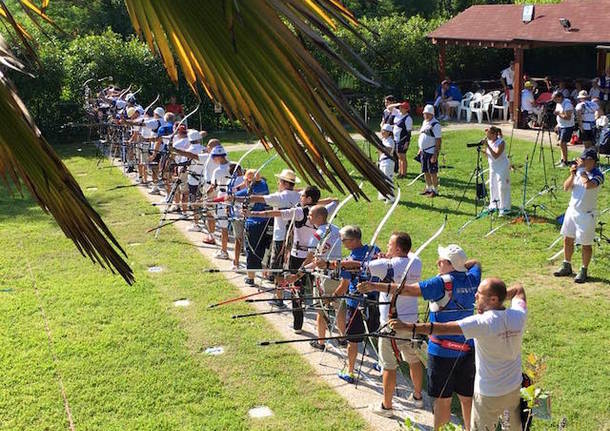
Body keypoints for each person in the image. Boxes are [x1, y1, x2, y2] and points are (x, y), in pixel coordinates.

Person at [362, 244, 481, 430]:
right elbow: (476, 263)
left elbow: (407, 290)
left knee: (442, 400)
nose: (437, 262)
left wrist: (374, 285)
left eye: (441, 260)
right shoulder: (473, 278)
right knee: (467, 398)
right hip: (467, 348)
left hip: (442, 351)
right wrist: (460, 267)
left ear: (448, 263)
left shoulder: (441, 283)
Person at [389, 280, 527, 431]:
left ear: (493, 299)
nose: (475, 296)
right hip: (513, 388)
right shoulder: (518, 315)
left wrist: (407, 326)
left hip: (488, 394)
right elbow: (519, 290)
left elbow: (443, 329)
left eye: (479, 294)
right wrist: (494, 299)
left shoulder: (482, 322)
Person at [355, 232, 425, 416]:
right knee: (413, 360)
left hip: (391, 324)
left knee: (388, 365)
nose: (386, 246)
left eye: (390, 244)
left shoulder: (386, 266)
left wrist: (380, 258)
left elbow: (361, 267)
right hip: (411, 322)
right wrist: (390, 255)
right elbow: (409, 255)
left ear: (399, 249)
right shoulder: (416, 262)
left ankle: (386, 406)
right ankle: (418, 398)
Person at [249, 186, 336, 333]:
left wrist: (253, 213)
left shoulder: (299, 211)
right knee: (317, 291)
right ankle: (326, 323)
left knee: (297, 291)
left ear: (308, 198)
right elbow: (336, 200)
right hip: (317, 258)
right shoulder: (323, 210)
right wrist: (315, 203)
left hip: (299, 258)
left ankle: (298, 325)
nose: (299, 198)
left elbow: (275, 212)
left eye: (302, 196)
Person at [315, 225, 379, 383]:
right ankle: (381, 364)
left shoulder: (348, 261)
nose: (342, 243)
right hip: (375, 299)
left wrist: (331, 298)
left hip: (355, 302)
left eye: (344, 240)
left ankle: (350, 371)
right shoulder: (375, 250)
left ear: (354, 240)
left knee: (353, 340)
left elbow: (344, 286)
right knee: (376, 333)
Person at [235, 168, 301, 307]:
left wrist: (236, 199)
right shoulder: (298, 196)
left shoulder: (280, 196)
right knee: (288, 267)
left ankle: (279, 298)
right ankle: (291, 296)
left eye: (279, 181)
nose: (277, 183)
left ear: (283, 183)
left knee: (278, 269)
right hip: (295, 238)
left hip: (280, 238)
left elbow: (259, 198)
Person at [554, 148, 605, 283]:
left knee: (585, 244)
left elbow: (588, 186)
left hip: (586, 214)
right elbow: (566, 187)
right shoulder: (578, 172)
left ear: (592, 161)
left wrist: (581, 172)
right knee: (567, 239)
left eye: (584, 159)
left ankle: (584, 270)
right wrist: (572, 175)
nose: (580, 161)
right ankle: (567, 265)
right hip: (572, 210)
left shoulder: (598, 175)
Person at [300, 205, 342, 351]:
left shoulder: (318, 234)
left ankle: (321, 341)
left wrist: (301, 269)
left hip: (322, 276)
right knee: (339, 308)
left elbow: (311, 256)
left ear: (319, 217)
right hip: (338, 274)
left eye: (311, 215)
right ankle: (342, 338)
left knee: (321, 309)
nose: (308, 217)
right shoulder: (337, 229)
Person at [234, 169, 271, 285]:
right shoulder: (264, 185)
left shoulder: (250, 191)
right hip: (265, 222)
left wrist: (231, 195)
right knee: (264, 248)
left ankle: (251, 278)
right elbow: (246, 188)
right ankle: (267, 273)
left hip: (253, 223)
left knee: (251, 250)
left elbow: (235, 197)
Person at [209, 145, 232, 259]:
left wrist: (205, 196)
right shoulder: (235, 166)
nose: (213, 159)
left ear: (218, 157)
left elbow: (213, 186)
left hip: (222, 198)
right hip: (234, 199)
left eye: (214, 157)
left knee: (224, 227)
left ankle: (224, 251)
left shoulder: (217, 171)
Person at [484, 127, 511, 216]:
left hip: (502, 167)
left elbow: (496, 155)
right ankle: (494, 204)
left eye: (489, 134)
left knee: (502, 187)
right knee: (493, 186)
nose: (487, 136)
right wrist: (484, 151)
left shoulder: (501, 142)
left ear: (494, 134)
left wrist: (487, 146)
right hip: (493, 167)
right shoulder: (489, 142)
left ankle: (505, 208)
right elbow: (489, 155)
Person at [417, 104, 442, 197]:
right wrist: (420, 148)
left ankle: (435, 190)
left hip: (431, 152)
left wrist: (435, 154)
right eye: (424, 114)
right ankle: (428, 188)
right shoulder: (425, 122)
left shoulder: (436, 125)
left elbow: (438, 140)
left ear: (432, 114)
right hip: (424, 151)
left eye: (428, 114)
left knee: (433, 173)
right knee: (425, 171)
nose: (426, 115)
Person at [552, 90, 575, 168]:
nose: (554, 100)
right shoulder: (558, 104)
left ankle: (565, 162)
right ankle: (562, 159)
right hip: (561, 126)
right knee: (561, 144)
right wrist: (558, 124)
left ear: (560, 97)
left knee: (562, 143)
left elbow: (568, 117)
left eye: (555, 99)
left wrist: (558, 114)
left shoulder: (567, 104)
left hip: (567, 126)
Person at [378, 124, 396, 201]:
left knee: (388, 179)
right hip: (382, 161)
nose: (382, 132)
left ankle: (391, 197)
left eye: (384, 131)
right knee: (382, 179)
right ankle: (383, 195)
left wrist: (380, 146)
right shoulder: (383, 140)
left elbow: (387, 150)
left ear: (389, 132)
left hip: (388, 161)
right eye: (382, 130)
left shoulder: (390, 141)